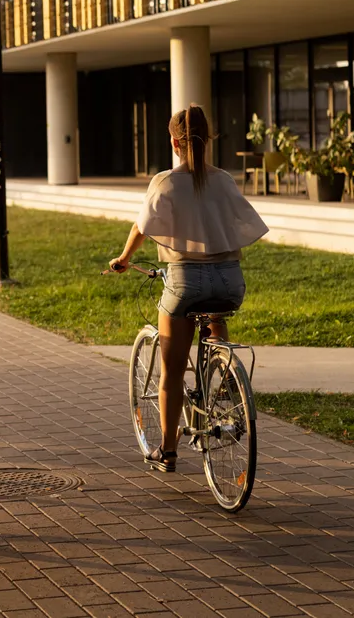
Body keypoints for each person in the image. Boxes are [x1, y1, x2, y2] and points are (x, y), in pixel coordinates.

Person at [108, 104, 268, 473]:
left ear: (174, 142)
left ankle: (167, 451)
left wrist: (123, 259)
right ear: (208, 139)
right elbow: (243, 222)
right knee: (215, 318)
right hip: (230, 280)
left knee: (172, 372)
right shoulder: (224, 180)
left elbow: (142, 227)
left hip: (185, 281)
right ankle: (225, 376)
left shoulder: (164, 181)